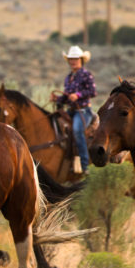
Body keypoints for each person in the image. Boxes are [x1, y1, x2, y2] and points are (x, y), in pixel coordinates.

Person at [50, 45, 97, 174]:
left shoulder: (86, 75)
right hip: (71, 110)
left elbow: (93, 92)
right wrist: (57, 99)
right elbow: (66, 98)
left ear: (81, 59)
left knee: (77, 130)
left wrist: (78, 95)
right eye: (71, 59)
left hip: (83, 111)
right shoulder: (68, 77)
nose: (72, 61)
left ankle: (84, 165)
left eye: (75, 58)